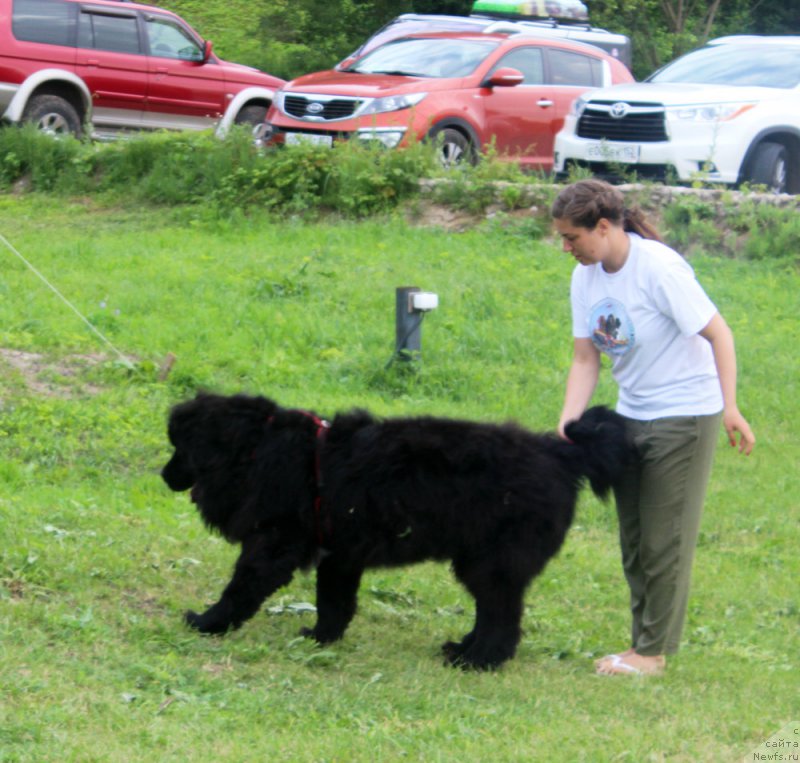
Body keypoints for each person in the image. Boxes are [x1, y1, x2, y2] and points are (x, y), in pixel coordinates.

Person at [551, 179, 755, 676]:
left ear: (603, 227)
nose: (566, 247)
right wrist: (569, 420)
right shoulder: (587, 277)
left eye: (572, 238)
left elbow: (718, 332)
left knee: (665, 541)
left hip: (685, 414)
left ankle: (652, 653)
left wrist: (730, 407)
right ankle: (641, 644)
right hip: (630, 416)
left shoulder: (659, 268)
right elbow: (585, 357)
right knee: (636, 540)